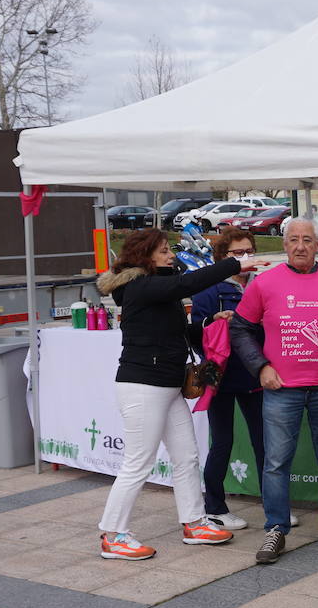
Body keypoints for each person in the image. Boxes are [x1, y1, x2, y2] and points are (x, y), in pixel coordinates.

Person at [94, 229, 261, 560]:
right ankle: (113, 534)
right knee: (137, 463)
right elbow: (186, 285)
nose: (171, 255)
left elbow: (178, 332)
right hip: (143, 385)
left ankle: (195, 522)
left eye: (169, 249)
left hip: (168, 385)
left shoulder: (158, 289)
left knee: (187, 456)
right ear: (145, 256)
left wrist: (210, 322)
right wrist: (233, 263)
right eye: (163, 251)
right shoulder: (140, 286)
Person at [230, 218, 318, 561]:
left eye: (307, 240)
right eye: (293, 239)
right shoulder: (264, 283)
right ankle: (276, 529)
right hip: (281, 389)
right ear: (285, 243)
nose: (300, 246)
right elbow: (239, 328)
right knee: (276, 463)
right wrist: (260, 367)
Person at [189, 229, 267, 532]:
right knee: (222, 441)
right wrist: (213, 324)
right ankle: (216, 507)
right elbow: (196, 334)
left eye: (249, 251)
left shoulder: (260, 285)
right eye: (237, 253)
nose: (245, 258)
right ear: (222, 258)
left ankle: (274, 505)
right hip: (217, 375)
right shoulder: (208, 290)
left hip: (255, 372)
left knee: (264, 442)